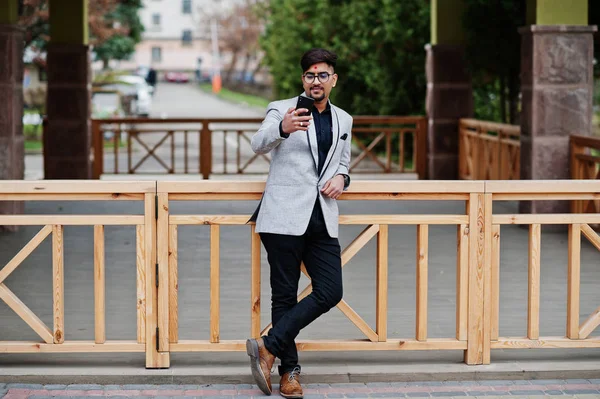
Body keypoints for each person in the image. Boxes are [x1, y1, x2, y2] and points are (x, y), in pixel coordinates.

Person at [246, 48, 352, 399]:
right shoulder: (282, 108)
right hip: (282, 217)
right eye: (310, 75)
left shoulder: (344, 120)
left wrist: (342, 178)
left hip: (322, 217)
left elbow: (344, 162)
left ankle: (267, 346)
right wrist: (282, 127)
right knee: (284, 295)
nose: (316, 81)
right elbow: (257, 144)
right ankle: (289, 374)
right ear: (303, 79)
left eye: (323, 75)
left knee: (330, 291)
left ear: (333, 79)